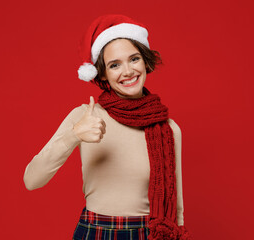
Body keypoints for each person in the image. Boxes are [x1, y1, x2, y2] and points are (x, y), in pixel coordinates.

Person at [23, 14, 192, 240]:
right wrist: (73, 136)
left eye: (134, 59)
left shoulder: (168, 128)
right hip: (96, 232)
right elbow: (32, 180)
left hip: (150, 234)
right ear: (102, 73)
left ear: (145, 61)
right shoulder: (85, 116)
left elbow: (176, 209)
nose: (128, 71)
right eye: (114, 65)